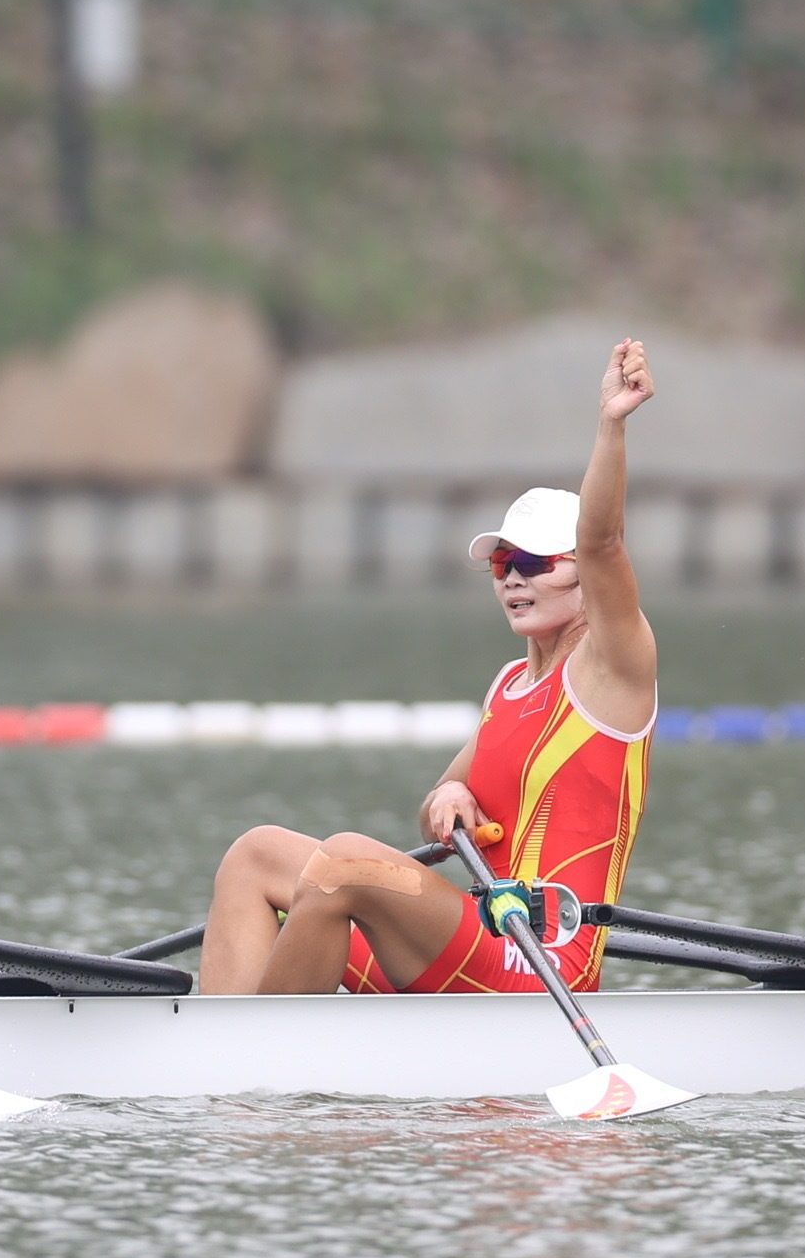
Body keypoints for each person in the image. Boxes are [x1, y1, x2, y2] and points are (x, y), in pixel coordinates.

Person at [198, 338, 659, 994]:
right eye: (502, 565)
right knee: (257, 854)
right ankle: (220, 1059)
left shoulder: (615, 668)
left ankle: (256, 1067)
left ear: (586, 578)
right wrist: (446, 797)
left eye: (533, 563)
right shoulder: (509, 684)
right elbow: (436, 811)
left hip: (541, 965)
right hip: (474, 943)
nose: (512, 581)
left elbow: (604, 540)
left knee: (347, 861)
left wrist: (611, 424)